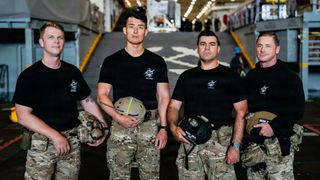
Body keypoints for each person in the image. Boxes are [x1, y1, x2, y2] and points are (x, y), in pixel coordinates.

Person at [12, 22, 108, 179]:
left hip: (71, 142)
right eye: (51, 37)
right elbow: (23, 116)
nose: (56, 41)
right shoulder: (29, 76)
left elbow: (87, 101)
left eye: (60, 38)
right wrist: (55, 136)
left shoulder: (72, 72)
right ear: (42, 42)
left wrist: (103, 126)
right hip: (42, 143)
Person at [97, 9, 170, 180]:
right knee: (118, 176)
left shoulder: (157, 62)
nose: (136, 31)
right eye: (131, 26)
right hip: (120, 126)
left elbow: (164, 96)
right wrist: (118, 118)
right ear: (124, 30)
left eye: (140, 27)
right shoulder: (111, 61)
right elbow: (102, 94)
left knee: (151, 176)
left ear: (146, 31)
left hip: (150, 126)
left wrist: (163, 128)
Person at [167, 30, 248, 179]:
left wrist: (235, 146)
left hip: (221, 143)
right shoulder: (187, 77)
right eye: (203, 44)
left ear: (218, 49)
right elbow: (173, 106)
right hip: (190, 141)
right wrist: (173, 127)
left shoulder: (230, 77)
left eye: (212, 44)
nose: (207, 48)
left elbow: (242, 112)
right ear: (197, 48)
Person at [244, 31, 305, 179]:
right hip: (254, 149)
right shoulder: (251, 77)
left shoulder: (289, 77)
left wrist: (273, 127)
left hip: (279, 147)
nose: (262, 49)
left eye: (267, 46)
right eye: (259, 45)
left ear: (277, 49)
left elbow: (297, 109)